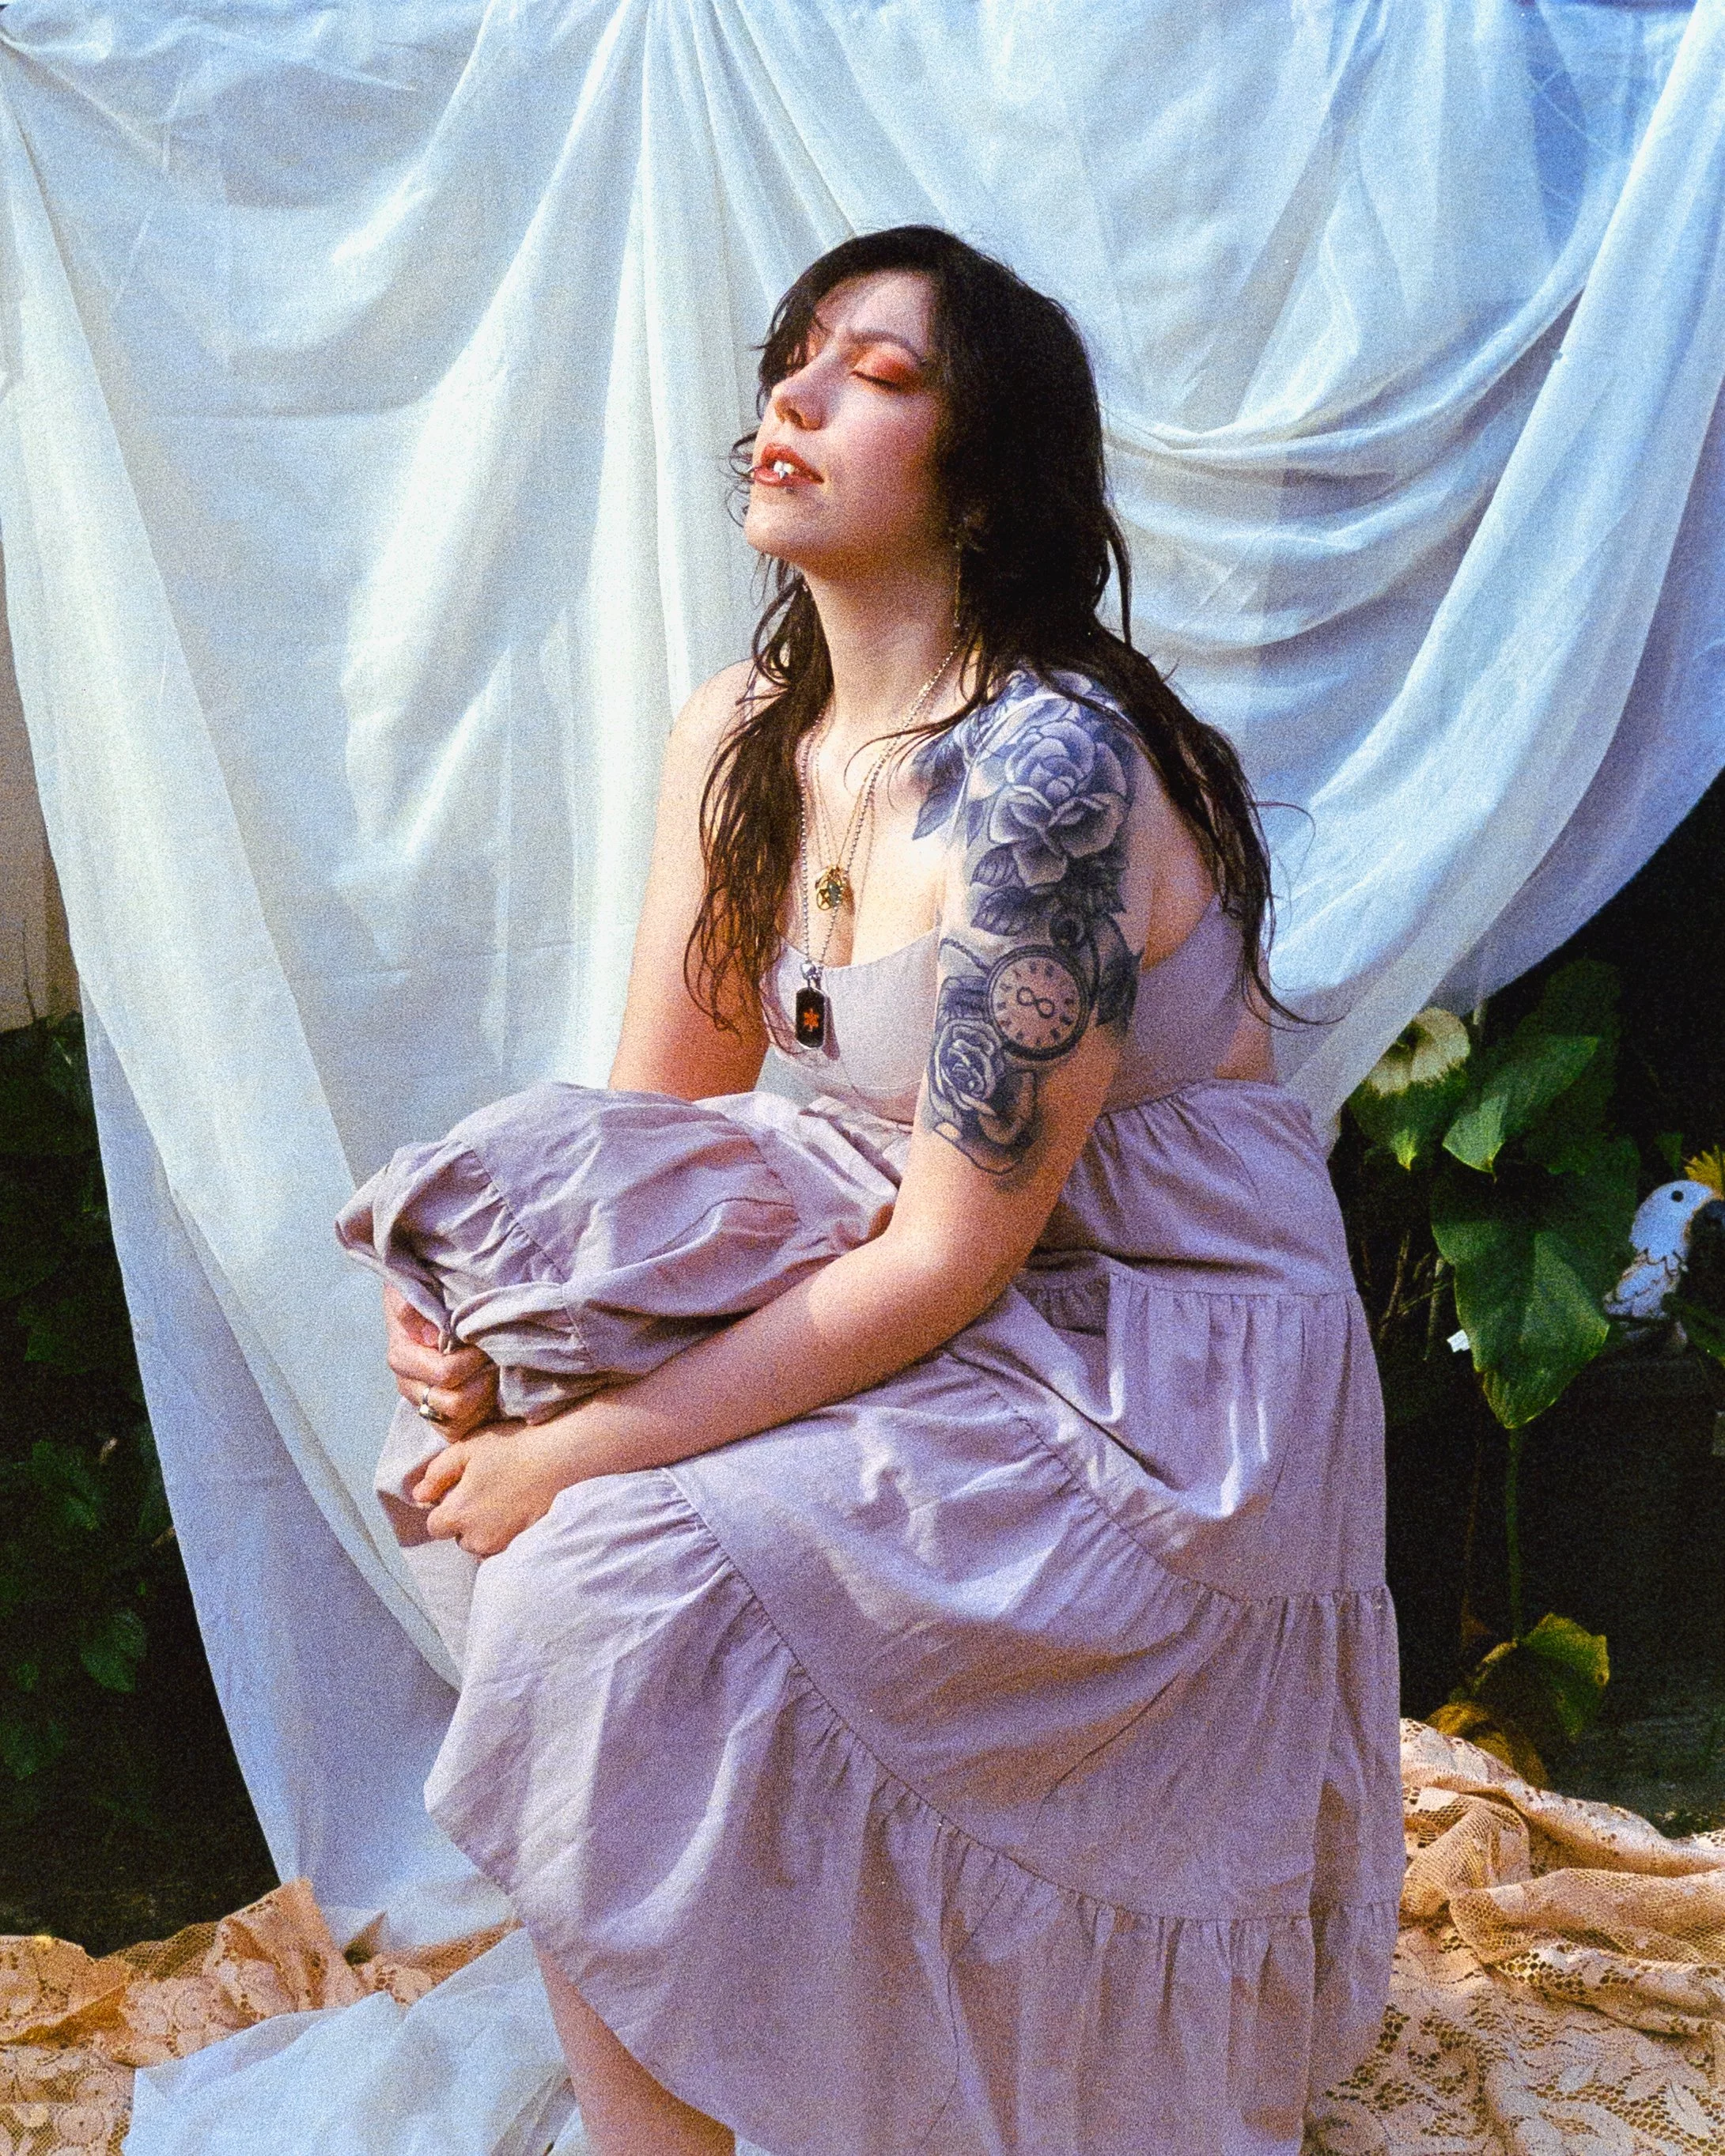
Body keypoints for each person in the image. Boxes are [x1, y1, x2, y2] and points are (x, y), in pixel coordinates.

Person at [369, 226, 1404, 2156]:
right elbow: (649, 1139)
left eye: (877, 372)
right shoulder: (744, 738)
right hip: (966, 1309)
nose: (795, 395)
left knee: (595, 1567)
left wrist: (573, 1459)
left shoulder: (1047, 778)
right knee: (571, 1543)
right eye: (793, 358)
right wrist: (503, 1337)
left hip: (1164, 1387)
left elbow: (948, 1248)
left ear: (985, 469)